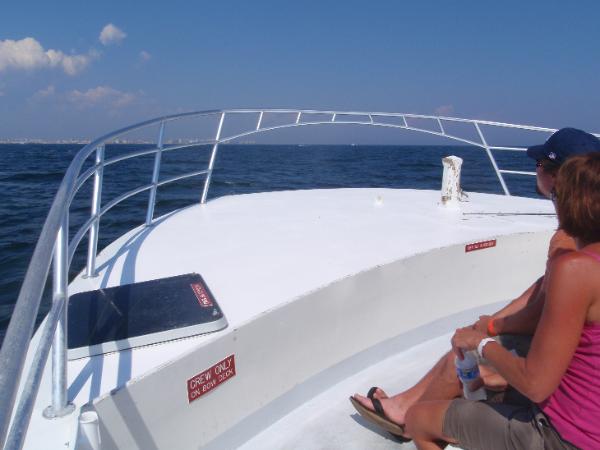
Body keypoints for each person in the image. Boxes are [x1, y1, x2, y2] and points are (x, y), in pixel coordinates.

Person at [350, 128, 600, 437]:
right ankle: (405, 404)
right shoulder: (584, 239)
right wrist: (492, 322)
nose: (536, 171)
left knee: (462, 358)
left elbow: (538, 314)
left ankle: (410, 421)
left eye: (540, 164)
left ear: (560, 177)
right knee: (473, 339)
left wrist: (490, 330)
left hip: (563, 404)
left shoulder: (568, 243)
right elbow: (541, 288)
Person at [405, 152, 600, 449]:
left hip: (567, 437)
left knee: (418, 420)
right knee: (486, 385)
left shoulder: (576, 268)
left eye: (557, 195)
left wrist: (481, 342)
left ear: (572, 204)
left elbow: (536, 384)